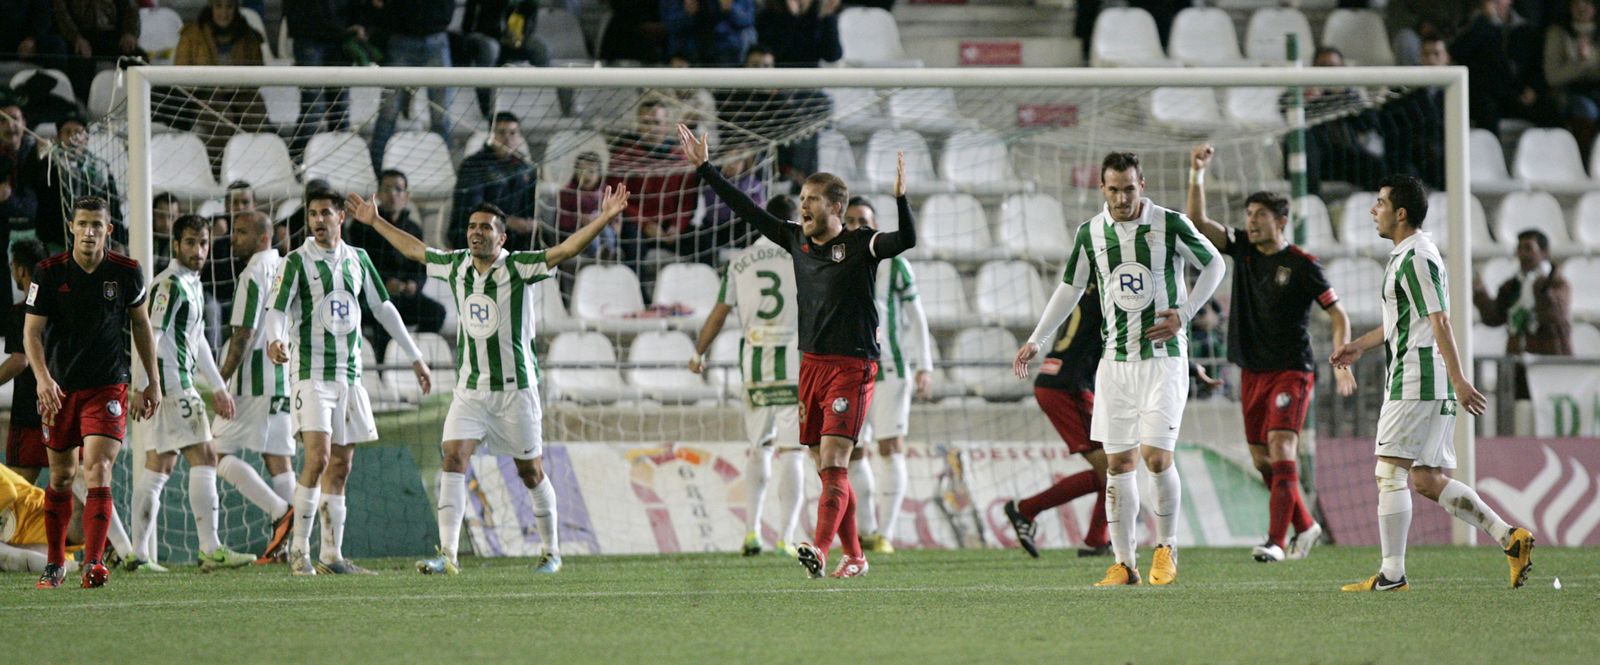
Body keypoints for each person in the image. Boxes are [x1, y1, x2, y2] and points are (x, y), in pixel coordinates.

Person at [348, 186, 627, 576]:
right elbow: (415, 250)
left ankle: (552, 552)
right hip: (471, 390)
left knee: (530, 472)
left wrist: (604, 217)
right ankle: (448, 555)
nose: (476, 232)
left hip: (517, 391)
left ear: (502, 236)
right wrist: (375, 221)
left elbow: (564, 252)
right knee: (453, 457)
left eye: (486, 228)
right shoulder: (456, 264)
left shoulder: (519, 266)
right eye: (472, 226)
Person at [680, 123, 917, 579]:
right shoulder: (796, 239)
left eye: (811, 199)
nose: (802, 204)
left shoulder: (860, 244)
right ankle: (857, 556)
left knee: (832, 461)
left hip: (853, 365)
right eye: (802, 198)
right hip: (809, 365)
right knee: (827, 468)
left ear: (836, 207)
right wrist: (706, 170)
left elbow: (905, 241)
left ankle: (821, 548)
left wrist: (901, 201)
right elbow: (747, 210)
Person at [1013, 151, 1225, 587]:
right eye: (1114, 190)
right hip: (1115, 365)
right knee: (1118, 464)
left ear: (1141, 185)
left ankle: (1166, 547)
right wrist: (1038, 337)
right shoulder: (1091, 233)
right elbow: (1070, 287)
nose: (1123, 197)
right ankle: (1123, 563)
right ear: (1102, 189)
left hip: (1164, 361)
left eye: (1129, 188)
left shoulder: (1169, 223)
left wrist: (1184, 313)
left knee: (1157, 456)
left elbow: (1215, 264)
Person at [1330, 177, 1535, 592]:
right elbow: (1405, 323)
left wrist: (1460, 380)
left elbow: (1440, 320)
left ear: (1400, 213)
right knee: (1425, 478)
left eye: (1381, 202)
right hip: (1424, 378)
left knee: (1389, 472)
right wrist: (1359, 346)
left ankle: (1391, 575)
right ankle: (1509, 539)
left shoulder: (1418, 257)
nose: (1374, 210)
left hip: (1416, 379)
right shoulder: (1407, 255)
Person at [1188, 144, 1355, 563]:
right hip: (1251, 372)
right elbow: (1198, 222)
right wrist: (1197, 175)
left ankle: (1276, 542)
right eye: (1248, 216)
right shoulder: (1242, 250)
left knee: (1282, 450)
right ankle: (1306, 524)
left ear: (1281, 221)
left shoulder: (1302, 265)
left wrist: (1339, 358)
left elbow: (1338, 315)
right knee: (1264, 462)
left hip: (1291, 371)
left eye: (1260, 217)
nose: (1251, 223)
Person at [264, 189, 433, 576]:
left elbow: (383, 308)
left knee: (341, 464)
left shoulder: (358, 260)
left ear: (342, 217)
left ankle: (332, 556)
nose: (319, 220)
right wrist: (275, 338)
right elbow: (276, 309)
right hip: (310, 373)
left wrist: (415, 357)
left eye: (326, 213)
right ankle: (298, 552)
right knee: (318, 456)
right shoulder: (295, 263)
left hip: (349, 375)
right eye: (313, 214)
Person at [23, 195, 160, 589]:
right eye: (82, 224)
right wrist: (43, 379)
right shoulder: (48, 273)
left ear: (108, 230)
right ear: (72, 227)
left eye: (96, 225)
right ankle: (55, 564)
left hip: (107, 386)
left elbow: (141, 326)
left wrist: (151, 379)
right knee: (63, 476)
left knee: (98, 468)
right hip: (59, 389)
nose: (88, 232)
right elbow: (31, 333)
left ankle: (95, 563)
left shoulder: (127, 272)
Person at [123, 214, 257, 573]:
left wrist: (217, 386)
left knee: (159, 465)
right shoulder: (168, 285)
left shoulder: (193, 283)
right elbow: (148, 335)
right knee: (207, 456)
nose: (198, 250)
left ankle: (138, 552)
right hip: (170, 384)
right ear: (176, 244)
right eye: (190, 243)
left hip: (169, 384)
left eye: (203, 243)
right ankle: (210, 548)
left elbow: (196, 342)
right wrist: (142, 385)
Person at [689, 194, 808, 558]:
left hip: (756, 365)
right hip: (796, 363)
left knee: (760, 448)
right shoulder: (805, 257)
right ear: (793, 223)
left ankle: (752, 531)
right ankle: (786, 537)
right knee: (792, 452)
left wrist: (699, 352)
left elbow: (719, 312)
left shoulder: (740, 264)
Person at [840, 196, 931, 554]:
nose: (856, 226)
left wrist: (926, 365)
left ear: (875, 224)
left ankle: (885, 534)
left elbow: (916, 316)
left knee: (890, 447)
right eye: (850, 220)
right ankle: (867, 530)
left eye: (863, 219)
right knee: (855, 451)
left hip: (890, 368)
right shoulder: (837, 261)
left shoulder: (895, 264)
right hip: (851, 369)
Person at [1002, 277, 1112, 559]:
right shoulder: (1114, 290)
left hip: (1060, 379)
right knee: (1114, 469)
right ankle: (1026, 510)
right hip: (1068, 386)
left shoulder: (1086, 288)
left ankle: (1096, 539)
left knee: (1116, 468)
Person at [212, 210, 297, 564]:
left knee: (213, 454)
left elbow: (243, 333)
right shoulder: (286, 268)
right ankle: (294, 546)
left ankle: (281, 513)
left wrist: (221, 381)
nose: (234, 238)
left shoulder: (253, 273)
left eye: (242, 232)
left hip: (252, 383)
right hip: (282, 380)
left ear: (263, 238)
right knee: (278, 460)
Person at [345, 170, 447, 363]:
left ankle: (418, 358)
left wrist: (413, 285)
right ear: (378, 194)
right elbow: (358, 266)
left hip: (406, 295)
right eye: (387, 189)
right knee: (383, 316)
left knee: (436, 312)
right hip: (372, 296)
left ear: (406, 196)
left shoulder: (413, 228)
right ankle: (384, 369)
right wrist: (384, 283)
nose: (393, 194)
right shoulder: (361, 227)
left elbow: (421, 267)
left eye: (398, 189)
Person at [1472, 229, 1573, 399]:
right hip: (1517, 363)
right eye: (1519, 249)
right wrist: (1480, 293)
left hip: (1549, 362)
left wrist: (1541, 288)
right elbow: (1495, 317)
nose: (1522, 254)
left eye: (1528, 248)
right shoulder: (1513, 286)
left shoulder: (1557, 283)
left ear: (1544, 252)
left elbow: (1555, 316)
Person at [367, 0, 456, 173]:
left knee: (441, 115)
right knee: (388, 112)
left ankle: (444, 171)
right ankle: (375, 172)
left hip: (436, 37)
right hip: (402, 38)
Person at [3, 240, 55, 483]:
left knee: (18, 488)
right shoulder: (62, 308)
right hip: (61, 408)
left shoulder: (21, 312)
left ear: (20, 270)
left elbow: (20, 360)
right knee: (72, 489)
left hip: (29, 412)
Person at [453, 112, 538, 251]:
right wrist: (508, 221)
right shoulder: (473, 165)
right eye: (502, 132)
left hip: (514, 233)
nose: (507, 139)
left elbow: (530, 206)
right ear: (491, 136)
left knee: (542, 240)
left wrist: (531, 223)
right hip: (478, 230)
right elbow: (471, 207)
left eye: (513, 133)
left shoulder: (525, 167)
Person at [663, 0, 758, 66]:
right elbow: (669, 25)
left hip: (727, 50)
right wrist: (686, 14)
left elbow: (748, 20)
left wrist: (730, 8)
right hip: (688, 51)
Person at [755, 0, 842, 67]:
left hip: (810, 80)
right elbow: (773, 52)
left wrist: (826, 18)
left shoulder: (821, 15)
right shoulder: (769, 14)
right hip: (778, 80)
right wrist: (791, 19)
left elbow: (832, 56)